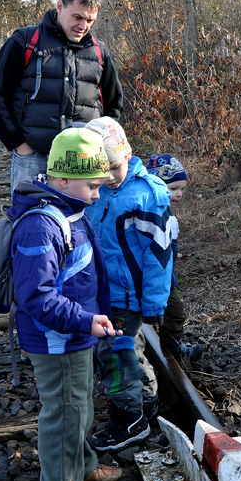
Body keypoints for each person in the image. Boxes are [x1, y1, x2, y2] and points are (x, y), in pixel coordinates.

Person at [10, 126, 124, 481]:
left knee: (81, 407)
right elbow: (36, 296)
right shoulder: (42, 224)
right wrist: (85, 319)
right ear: (60, 179)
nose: (98, 193)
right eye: (92, 185)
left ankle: (83, 463)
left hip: (75, 334)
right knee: (64, 414)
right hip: (57, 339)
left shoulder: (71, 210)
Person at [83, 118, 174, 452]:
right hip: (105, 293)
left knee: (116, 355)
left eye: (114, 167)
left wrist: (153, 303)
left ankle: (129, 419)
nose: (108, 175)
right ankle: (146, 403)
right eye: (101, 169)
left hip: (129, 295)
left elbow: (159, 256)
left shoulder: (145, 196)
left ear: (128, 154)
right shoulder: (96, 193)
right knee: (127, 350)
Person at [0, 0, 124, 190]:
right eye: (77, 17)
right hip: (33, 158)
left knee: (80, 222)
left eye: (89, 20)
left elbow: (113, 106)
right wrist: (19, 144)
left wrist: (103, 147)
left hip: (84, 163)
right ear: (59, 7)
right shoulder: (25, 41)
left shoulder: (99, 52)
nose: (83, 26)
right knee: (31, 220)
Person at [146, 154, 204, 360]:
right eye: (173, 189)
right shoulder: (152, 215)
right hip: (155, 276)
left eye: (182, 189)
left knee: (173, 310)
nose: (179, 194)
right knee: (170, 311)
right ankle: (165, 349)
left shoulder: (168, 214)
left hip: (166, 276)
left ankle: (170, 346)